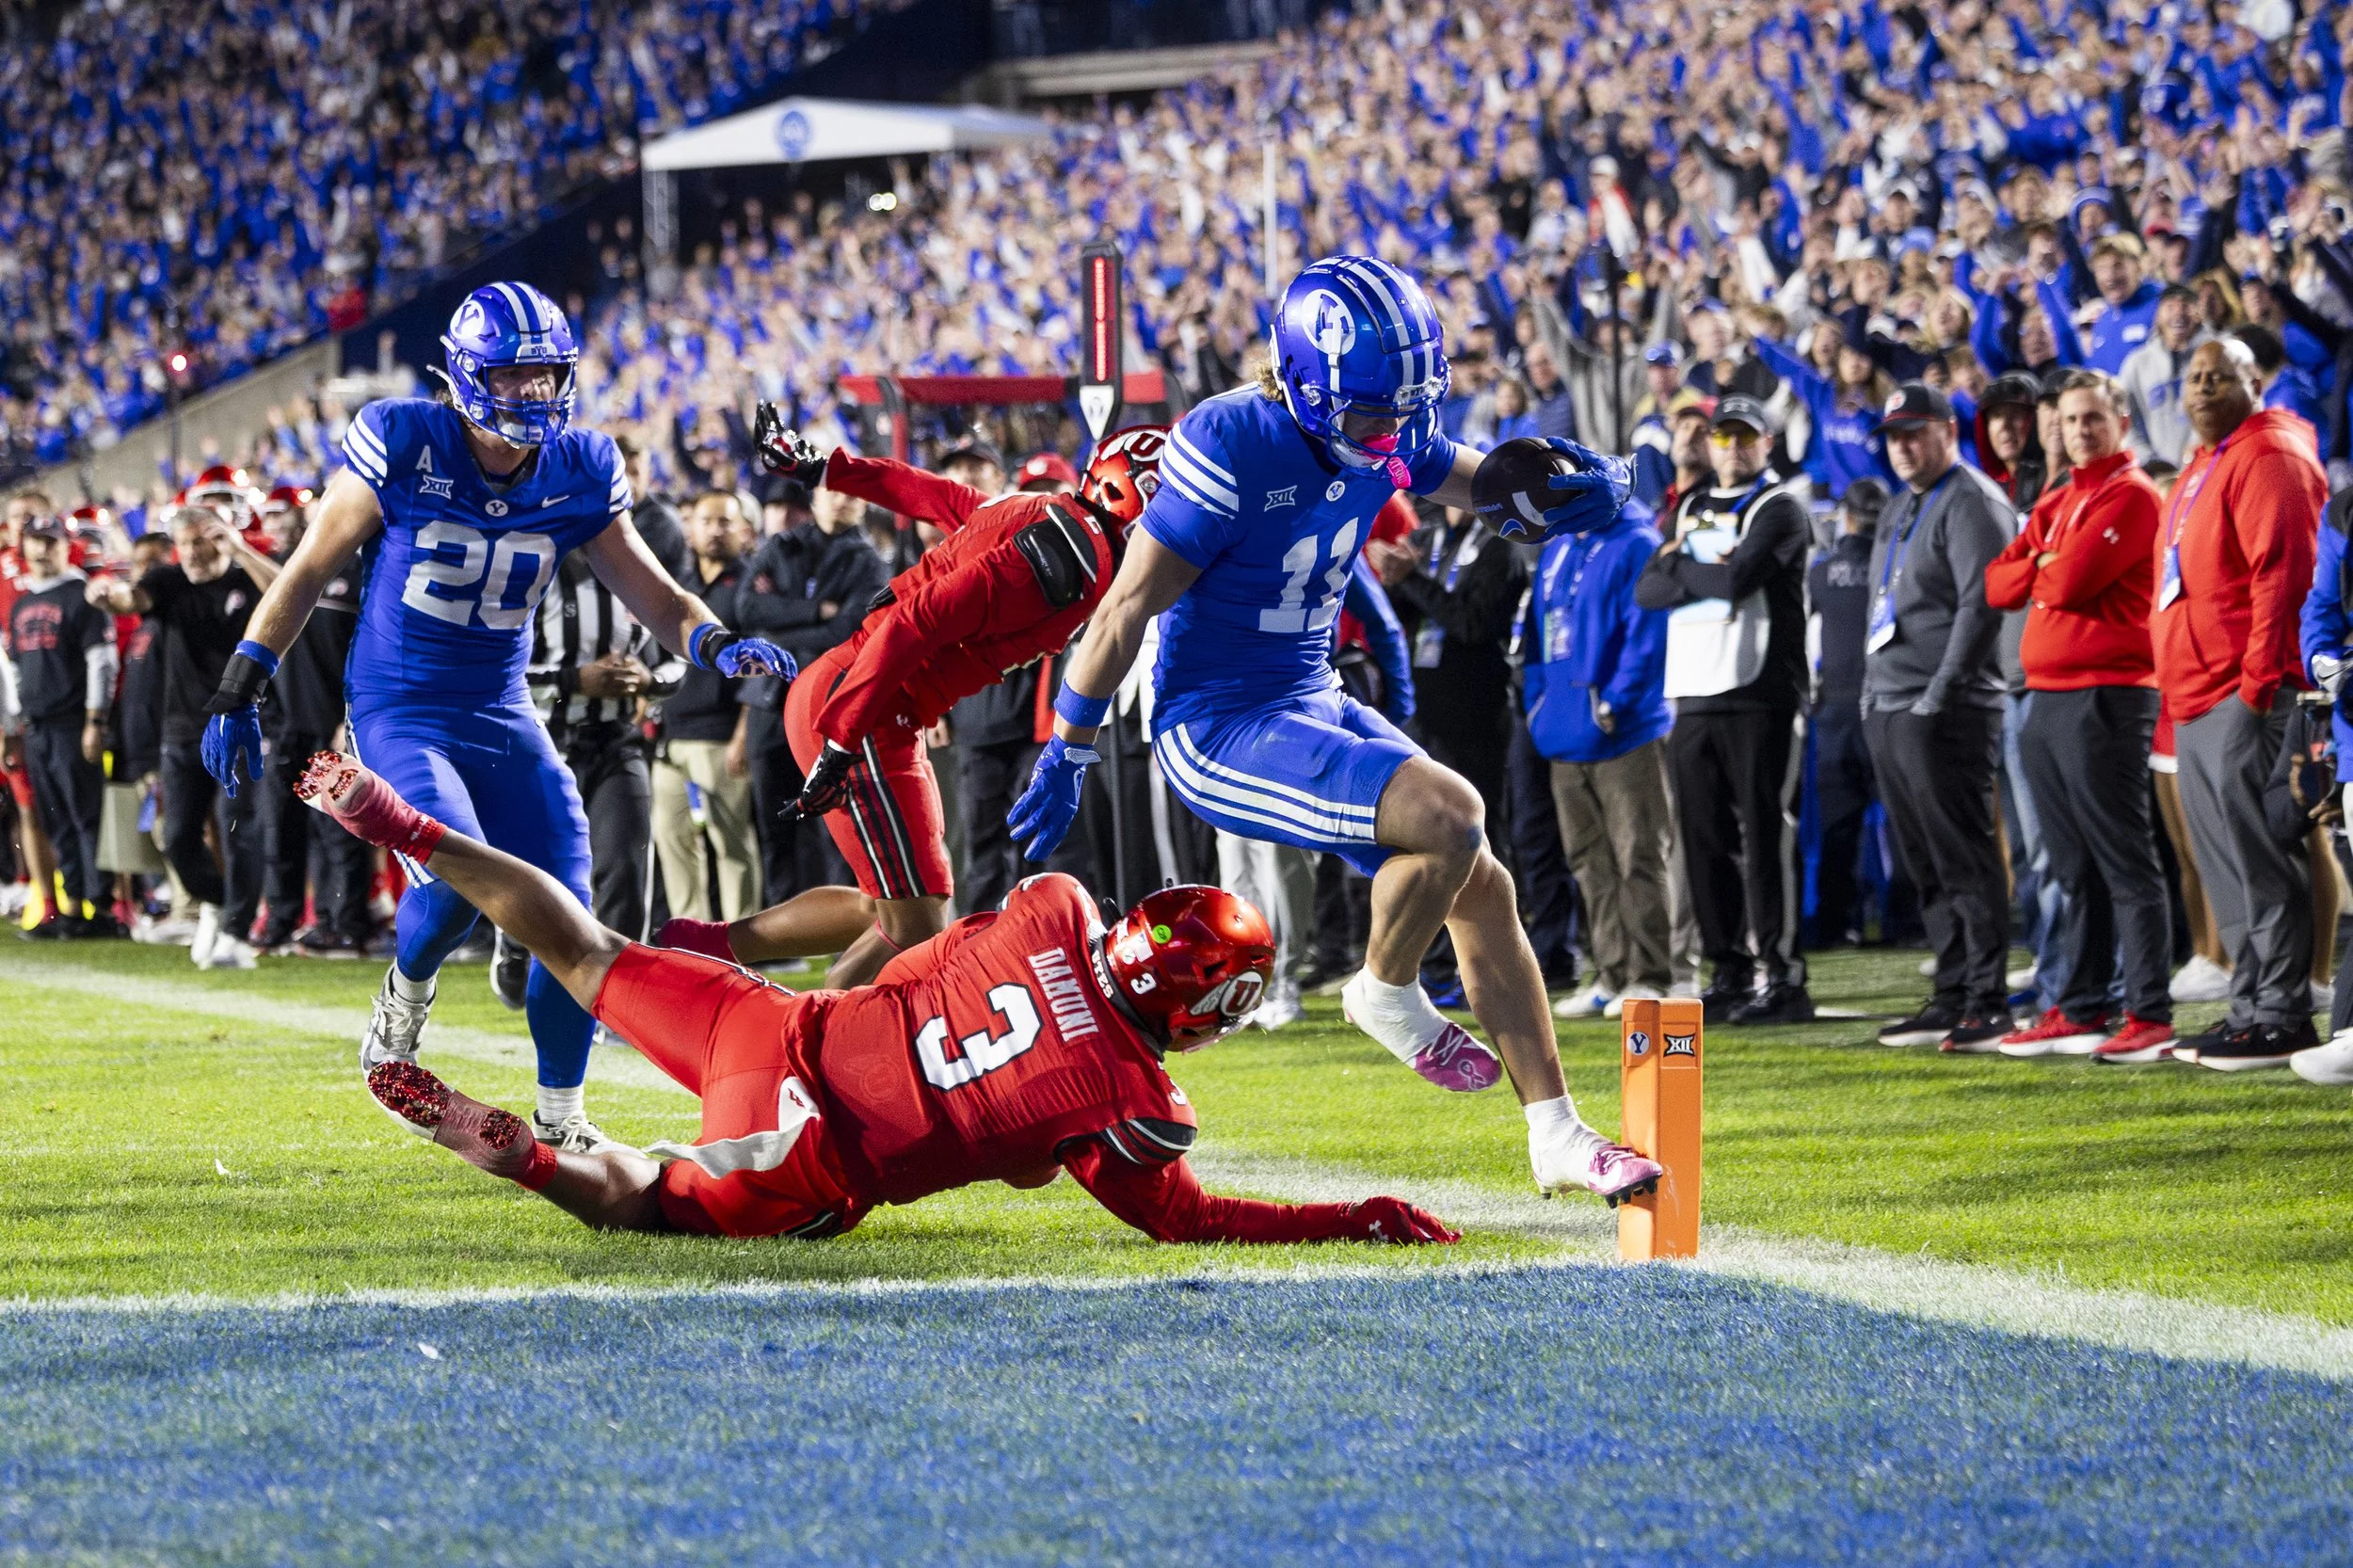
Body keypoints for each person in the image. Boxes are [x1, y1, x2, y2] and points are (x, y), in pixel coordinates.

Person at [1012, 256, 1661, 1202]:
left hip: (1308, 692)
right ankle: (1383, 987)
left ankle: (1553, 1133)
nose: (1394, 432)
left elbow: (1476, 484)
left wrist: (1575, 501)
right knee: (1451, 816)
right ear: (1308, 387)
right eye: (1373, 414)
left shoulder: (1380, 434)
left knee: (1483, 888)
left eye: (1407, 408)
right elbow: (1122, 611)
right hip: (1218, 719)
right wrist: (1068, 743)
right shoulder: (1232, 440)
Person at [297, 749, 1460, 1246]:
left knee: (575, 938)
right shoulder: (1128, 1098)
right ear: (1198, 1007)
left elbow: (918, 965)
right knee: (648, 1195)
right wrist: (1351, 1213)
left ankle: (407, 826)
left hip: (774, 1026)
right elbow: (1187, 1219)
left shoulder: (1052, 905)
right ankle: (542, 1161)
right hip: (807, 1148)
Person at [187, 281, 794, 1151]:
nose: (535, 395)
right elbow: (311, 564)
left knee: (570, 914)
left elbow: (652, 591)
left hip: (502, 707)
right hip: (400, 702)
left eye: (547, 376)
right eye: (514, 378)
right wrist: (240, 685)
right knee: (459, 890)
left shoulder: (581, 465)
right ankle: (402, 998)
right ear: (468, 376)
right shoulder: (406, 439)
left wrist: (717, 643)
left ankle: (563, 1116)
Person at [664, 419, 1167, 990]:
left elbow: (937, 496)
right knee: (915, 925)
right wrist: (842, 739)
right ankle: (802, 1055)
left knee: (900, 908)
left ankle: (699, 946)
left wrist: (827, 469)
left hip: (877, 706)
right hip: (866, 707)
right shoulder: (1064, 558)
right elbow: (916, 621)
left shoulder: (1045, 514)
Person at [1982, 371, 2172, 1063]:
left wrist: (2042, 560)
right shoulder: (2064, 494)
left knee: (2124, 859)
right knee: (2068, 863)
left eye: (2094, 418)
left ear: (2120, 422)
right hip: (2046, 694)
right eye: (2069, 421)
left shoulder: (2132, 494)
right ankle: (2082, 1005)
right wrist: (2044, 556)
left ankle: (2148, 1010)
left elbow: (2067, 581)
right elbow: (2000, 584)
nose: (2080, 431)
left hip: (2109, 693)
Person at [2154, 339, 2329, 1070]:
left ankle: (2283, 1009)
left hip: (2243, 690)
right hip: (2196, 691)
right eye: (2193, 377)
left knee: (2260, 857)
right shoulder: (2208, 459)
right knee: (2224, 860)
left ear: (2253, 382)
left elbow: (2283, 578)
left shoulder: (2268, 453)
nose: (2201, 388)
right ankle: (2251, 1004)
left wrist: (2258, 687)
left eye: (2218, 376)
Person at [1635, 395, 1815, 1025]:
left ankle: (1784, 975)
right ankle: (1730, 970)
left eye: (1746, 438)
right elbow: (1647, 590)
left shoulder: (1781, 507)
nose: (1733, 449)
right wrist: (1693, 567)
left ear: (1767, 442)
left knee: (1766, 836)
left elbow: (1736, 580)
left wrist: (1681, 561)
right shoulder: (1690, 505)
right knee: (1704, 841)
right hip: (1694, 690)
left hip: (1762, 690)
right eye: (1723, 438)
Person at [1862, 384, 2017, 1051]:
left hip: (1943, 704)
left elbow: (1979, 608)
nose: (1902, 445)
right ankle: (1952, 991)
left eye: (1915, 432)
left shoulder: (1972, 499)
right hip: (1892, 700)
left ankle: (1987, 997)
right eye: (1893, 434)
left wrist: (1941, 691)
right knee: (1923, 858)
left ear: (1949, 431)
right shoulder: (1902, 503)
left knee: (1962, 852)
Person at [86, 503, 280, 968]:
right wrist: (107, 596)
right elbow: (132, 600)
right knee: (176, 837)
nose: (191, 552)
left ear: (220, 539)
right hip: (182, 729)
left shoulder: (242, 578)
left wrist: (241, 549)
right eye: (184, 543)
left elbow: (286, 592)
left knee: (240, 830)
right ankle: (217, 902)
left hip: (239, 724)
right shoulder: (168, 581)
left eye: (201, 540)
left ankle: (236, 933)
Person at [1524, 485, 1673, 1019]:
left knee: (1639, 855)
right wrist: (1538, 705)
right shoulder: (1557, 546)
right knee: (1588, 859)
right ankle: (1610, 974)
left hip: (1623, 730)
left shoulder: (1636, 542)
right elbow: (1538, 638)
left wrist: (1616, 700)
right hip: (1564, 731)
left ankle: (1653, 975)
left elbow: (1647, 632)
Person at [520, 521, 683, 990]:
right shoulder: (533, 571)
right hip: (542, 744)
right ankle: (514, 947)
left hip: (616, 740)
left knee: (625, 866)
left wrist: (648, 680)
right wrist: (575, 679)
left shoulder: (638, 578)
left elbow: (675, 660)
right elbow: (499, 665)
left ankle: (622, 999)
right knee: (537, 867)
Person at [732, 470, 888, 906]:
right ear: (815, 498)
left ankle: (843, 931)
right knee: (772, 825)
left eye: (850, 493)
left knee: (835, 825)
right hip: (769, 705)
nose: (839, 499)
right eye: (831, 490)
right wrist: (815, 610)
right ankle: (783, 935)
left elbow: (851, 632)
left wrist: (778, 633)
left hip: (827, 706)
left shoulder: (870, 561)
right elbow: (747, 608)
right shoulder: (783, 545)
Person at [250, 486, 374, 956]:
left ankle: (347, 925)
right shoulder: (294, 568)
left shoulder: (362, 571)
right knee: (280, 827)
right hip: (289, 721)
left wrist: (350, 716)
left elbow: (365, 655)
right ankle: (287, 922)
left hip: (334, 719)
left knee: (339, 831)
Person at [2, 514, 119, 937]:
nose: (41, 549)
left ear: (63, 545)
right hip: (37, 727)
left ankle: (101, 909)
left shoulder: (81, 595)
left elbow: (101, 662)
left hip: (73, 722)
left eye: (49, 541)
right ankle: (71, 908)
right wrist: (15, 727)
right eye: (35, 541)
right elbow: (15, 670)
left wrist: (95, 719)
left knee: (86, 816)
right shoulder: (22, 602)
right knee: (56, 820)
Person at [650, 491, 760, 927]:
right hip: (671, 734)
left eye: (725, 522)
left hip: (721, 733)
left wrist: (743, 736)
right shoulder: (676, 584)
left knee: (731, 841)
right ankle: (690, 939)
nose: (716, 530)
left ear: (743, 530)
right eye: (706, 520)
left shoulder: (752, 586)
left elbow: (759, 670)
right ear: (689, 528)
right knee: (673, 839)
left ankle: (745, 939)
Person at [1806, 478, 1889, 947]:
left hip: (1836, 706)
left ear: (1847, 518)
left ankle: (1837, 921)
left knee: (1839, 824)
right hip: (1882, 702)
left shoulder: (1821, 572)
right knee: (1901, 821)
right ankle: (1907, 920)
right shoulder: (1888, 567)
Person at [2121, 285, 2210, 467]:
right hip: (2158, 476)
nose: (2178, 314)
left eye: (2185, 306)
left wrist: (2199, 450)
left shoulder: (2216, 354)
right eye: (2170, 307)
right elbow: (2125, 419)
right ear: (2158, 315)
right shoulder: (2137, 363)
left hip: (2208, 465)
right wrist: (2149, 461)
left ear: (2199, 313)